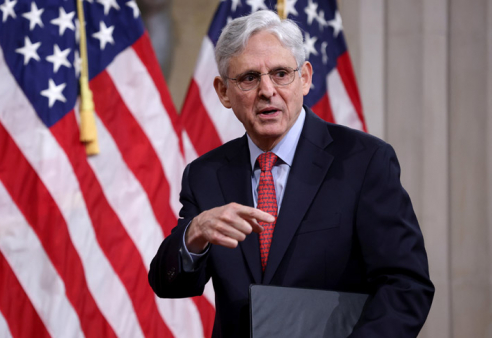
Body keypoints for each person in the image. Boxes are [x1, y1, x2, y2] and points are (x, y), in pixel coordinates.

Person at [149, 10, 434, 337]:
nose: (267, 90)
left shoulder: (363, 161)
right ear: (223, 92)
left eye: (281, 73)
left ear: (306, 78)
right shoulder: (205, 175)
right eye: (249, 78)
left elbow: (406, 285)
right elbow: (167, 283)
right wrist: (194, 234)